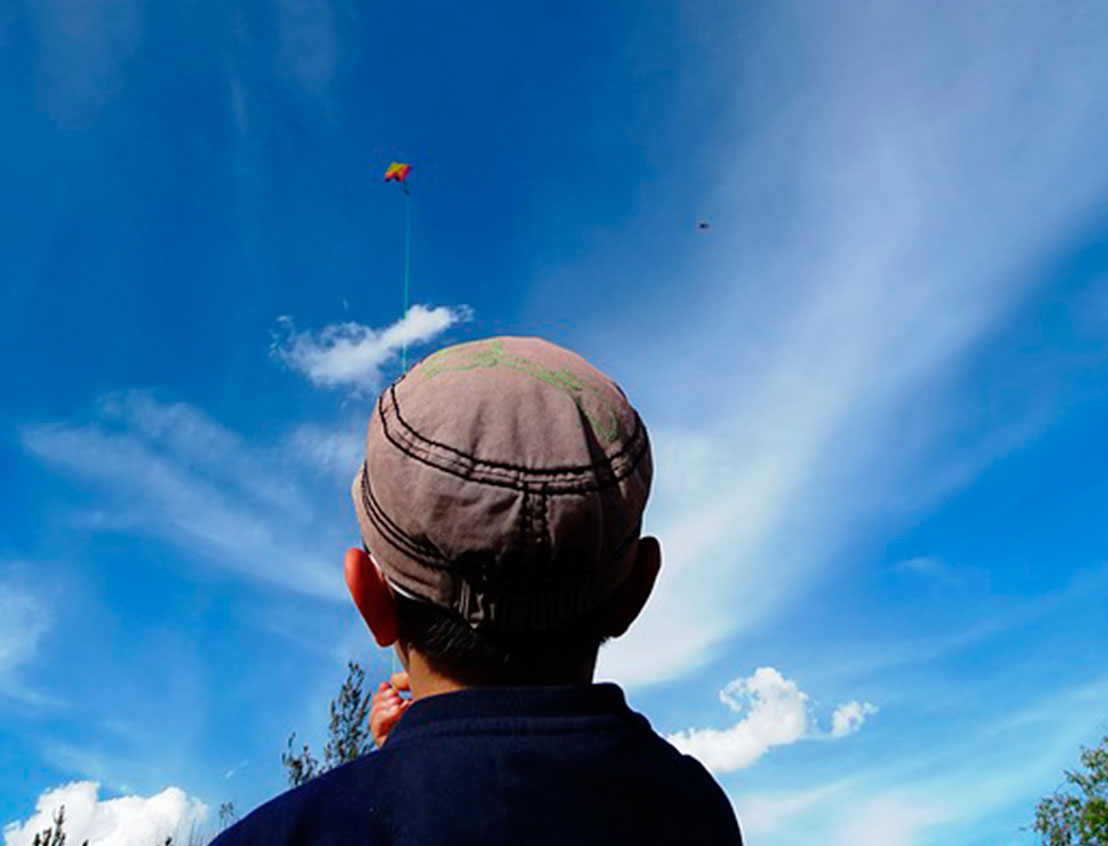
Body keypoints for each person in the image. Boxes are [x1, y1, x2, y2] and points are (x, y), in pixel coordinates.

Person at [212, 337, 742, 845]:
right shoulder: (698, 814)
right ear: (636, 590)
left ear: (371, 600)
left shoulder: (278, 836)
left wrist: (409, 777)